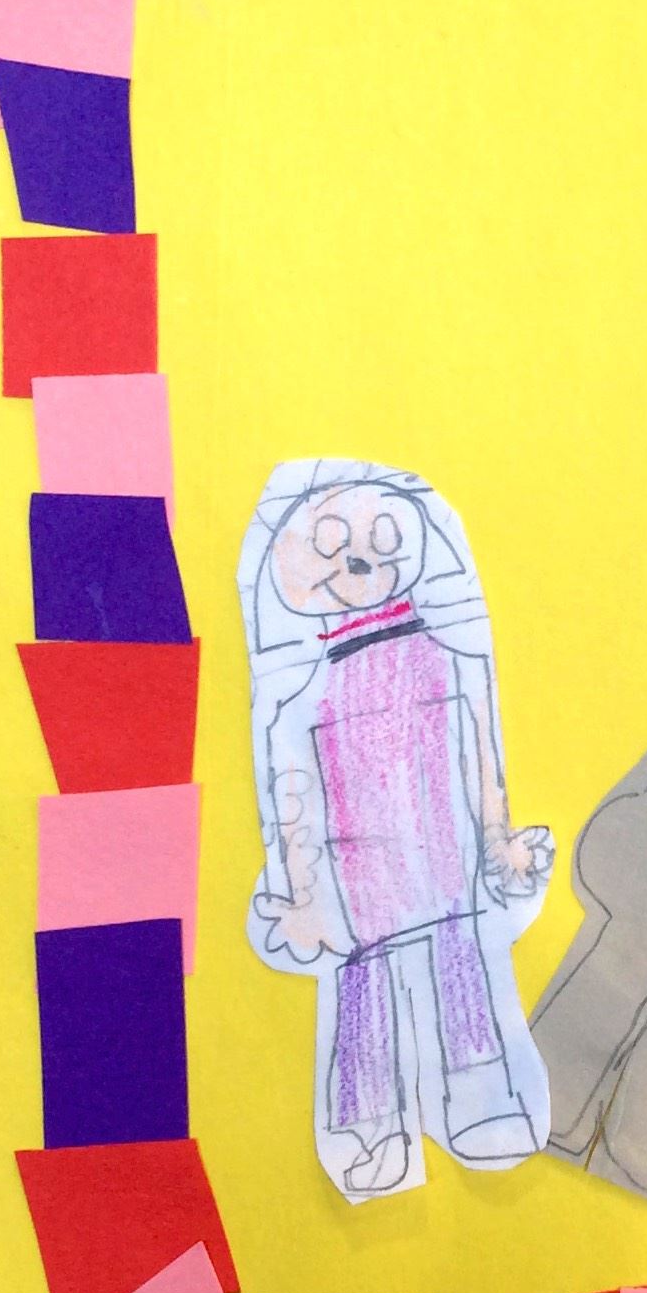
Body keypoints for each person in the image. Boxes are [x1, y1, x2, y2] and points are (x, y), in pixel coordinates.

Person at [239, 459, 553, 1198]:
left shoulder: (449, 659)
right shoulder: (302, 695)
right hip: (357, 889)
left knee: (462, 970)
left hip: (447, 866)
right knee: (363, 992)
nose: (360, 562)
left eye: (381, 542)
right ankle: (370, 1126)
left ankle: (482, 1098)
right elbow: (290, 793)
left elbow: (481, 755)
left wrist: (498, 838)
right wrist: (303, 894)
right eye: (334, 545)